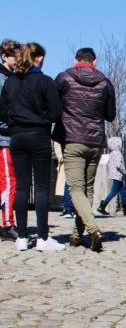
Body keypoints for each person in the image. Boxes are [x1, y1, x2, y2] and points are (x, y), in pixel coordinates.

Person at [0, 42, 64, 252]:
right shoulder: (45, 82)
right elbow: (56, 113)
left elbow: (2, 111)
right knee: (42, 188)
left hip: (17, 136)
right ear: (38, 58)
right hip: (39, 135)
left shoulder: (11, 82)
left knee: (21, 187)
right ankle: (43, 238)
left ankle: (21, 237)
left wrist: (16, 121)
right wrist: (41, 117)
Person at [55, 47, 116, 253]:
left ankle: (93, 230)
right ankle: (75, 235)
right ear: (94, 62)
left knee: (76, 189)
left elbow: (53, 108)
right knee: (88, 189)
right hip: (95, 141)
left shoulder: (63, 78)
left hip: (72, 139)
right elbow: (110, 115)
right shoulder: (105, 82)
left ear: (76, 60)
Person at [0, 39, 21, 240]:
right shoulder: (3, 79)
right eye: (15, 56)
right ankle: (7, 224)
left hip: (8, 135)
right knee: (8, 181)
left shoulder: (11, 78)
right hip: (4, 138)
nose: (18, 59)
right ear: (5, 57)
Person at [98, 136, 126, 216]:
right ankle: (102, 206)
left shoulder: (111, 153)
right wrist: (124, 172)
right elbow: (119, 165)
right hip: (118, 175)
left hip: (114, 175)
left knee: (123, 191)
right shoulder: (118, 153)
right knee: (113, 192)